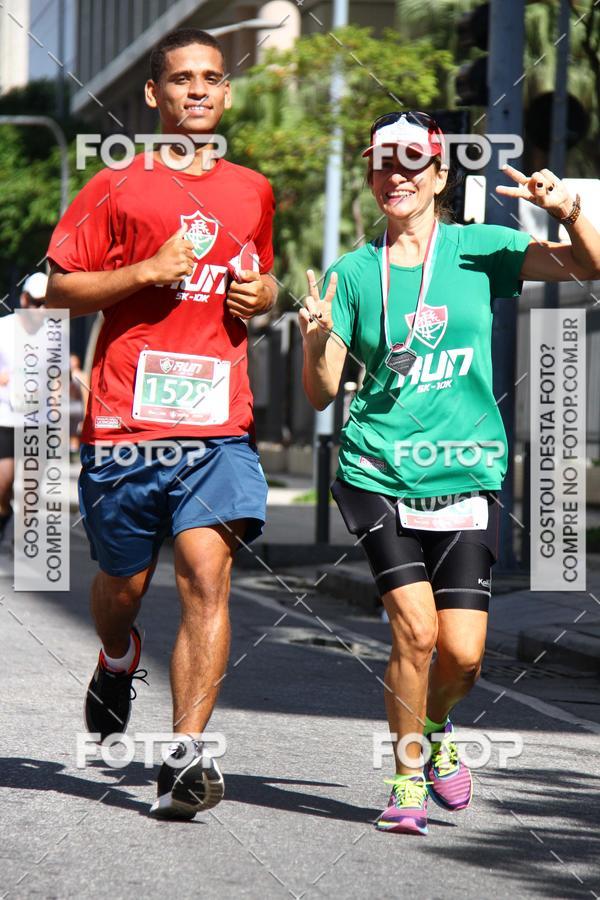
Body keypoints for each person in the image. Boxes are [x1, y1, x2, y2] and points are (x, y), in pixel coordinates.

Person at [299, 111, 600, 835]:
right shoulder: (351, 273)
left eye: (412, 163)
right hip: (378, 470)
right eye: (383, 164)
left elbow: (588, 267)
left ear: (439, 176)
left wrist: (570, 212)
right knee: (416, 630)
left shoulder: (479, 249)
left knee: (463, 655)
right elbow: (319, 392)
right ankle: (404, 781)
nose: (396, 176)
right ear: (372, 176)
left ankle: (434, 729)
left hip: (465, 474)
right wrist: (317, 338)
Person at [45, 28, 277, 819]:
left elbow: (261, 275)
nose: (200, 91)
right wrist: (143, 272)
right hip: (124, 426)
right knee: (124, 587)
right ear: (154, 95)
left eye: (213, 78)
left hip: (216, 425)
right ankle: (117, 657)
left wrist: (266, 296)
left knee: (206, 580)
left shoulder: (253, 189)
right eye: (182, 80)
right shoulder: (118, 185)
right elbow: (50, 289)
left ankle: (187, 759)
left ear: (226, 90)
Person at [0, 272, 49, 547]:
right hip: (5, 417)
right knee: (3, 484)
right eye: (36, 302)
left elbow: (61, 377)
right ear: (24, 299)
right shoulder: (3, 328)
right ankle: (3, 519)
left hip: (38, 420)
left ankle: (23, 541)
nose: (40, 309)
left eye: (46, 304)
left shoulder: (54, 333)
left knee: (31, 488)